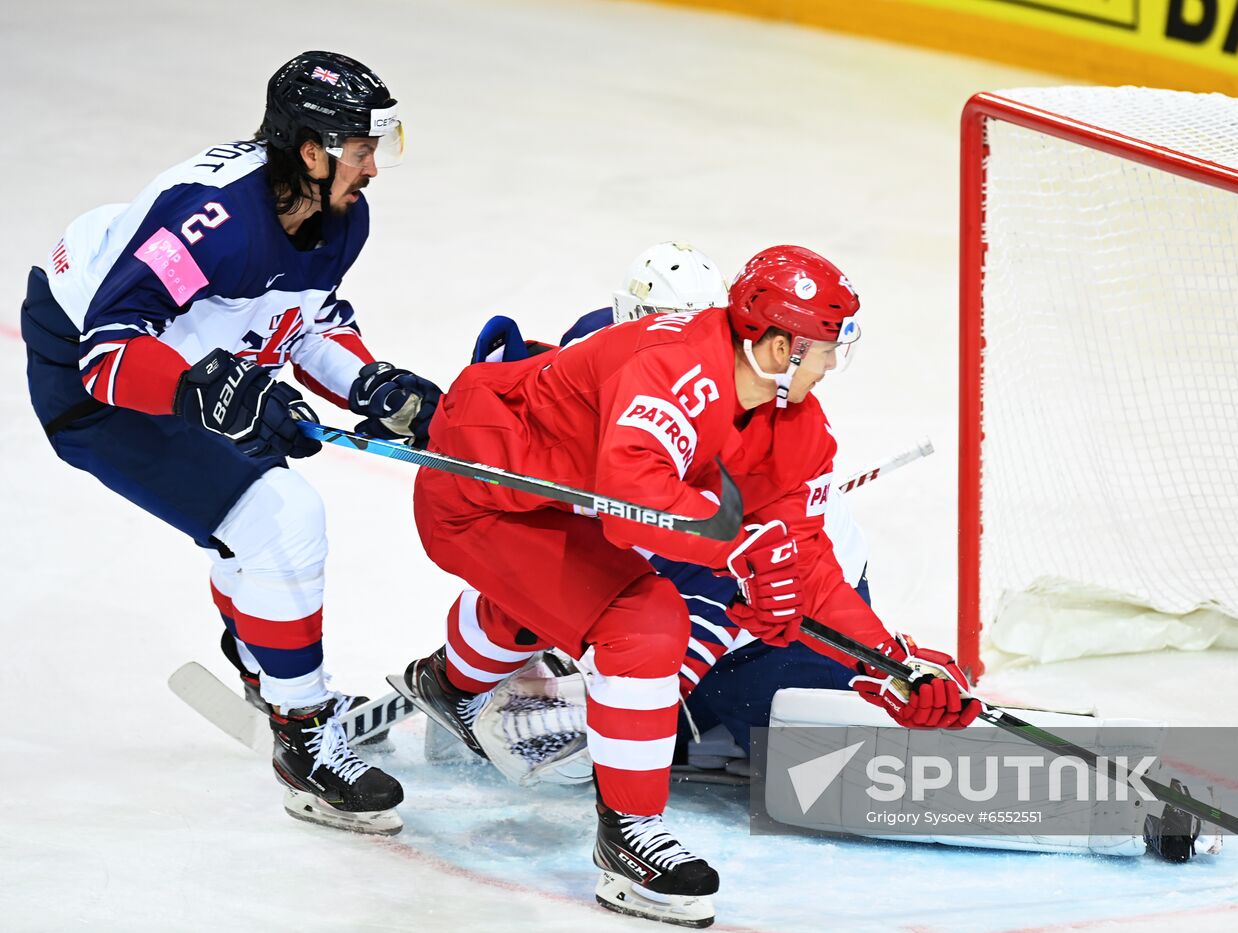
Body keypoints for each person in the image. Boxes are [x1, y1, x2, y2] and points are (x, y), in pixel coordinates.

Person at [394, 242, 981, 927]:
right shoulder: (674, 368)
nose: (831, 363)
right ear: (780, 345)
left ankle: (448, 681)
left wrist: (886, 662)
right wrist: (742, 546)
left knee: (612, 606)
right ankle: (629, 839)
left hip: (574, 511)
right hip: (487, 497)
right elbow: (630, 495)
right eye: (824, 346)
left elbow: (805, 560)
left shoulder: (792, 420)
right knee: (642, 622)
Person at [20, 50, 442, 836]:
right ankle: (303, 736)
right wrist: (205, 390)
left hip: (191, 353)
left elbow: (304, 323)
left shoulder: (341, 215)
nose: (374, 168)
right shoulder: (207, 219)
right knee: (279, 518)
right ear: (311, 151)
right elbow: (107, 354)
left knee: (252, 521)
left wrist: (369, 383)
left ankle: (265, 667)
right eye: (361, 150)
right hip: (91, 381)